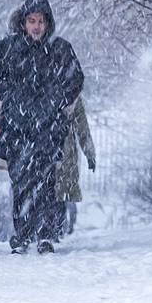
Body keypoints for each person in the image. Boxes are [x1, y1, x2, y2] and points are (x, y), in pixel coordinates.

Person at [0, 0, 84, 254]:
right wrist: (14, 98)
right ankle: (23, 234)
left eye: (41, 21)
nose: (36, 26)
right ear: (23, 23)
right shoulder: (8, 48)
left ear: (48, 23)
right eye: (31, 21)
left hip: (49, 130)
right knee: (21, 183)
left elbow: (75, 81)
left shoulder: (60, 49)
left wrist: (55, 100)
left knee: (49, 184)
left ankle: (47, 235)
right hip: (18, 130)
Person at [55, 95, 96, 237]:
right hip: (65, 150)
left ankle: (55, 228)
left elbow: (82, 127)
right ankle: (58, 228)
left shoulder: (39, 85)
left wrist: (90, 153)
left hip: (54, 150)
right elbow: (82, 127)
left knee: (56, 191)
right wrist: (90, 153)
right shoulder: (72, 95)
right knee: (63, 191)